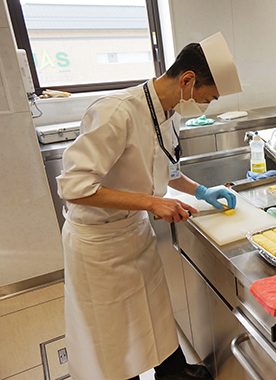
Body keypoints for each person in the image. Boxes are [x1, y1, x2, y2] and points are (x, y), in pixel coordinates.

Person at [56, 32, 242, 380]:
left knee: (154, 312)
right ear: (187, 80)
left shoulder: (167, 113)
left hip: (133, 233)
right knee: (111, 333)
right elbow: (74, 187)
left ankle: (171, 372)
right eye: (207, 98)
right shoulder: (116, 112)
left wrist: (201, 190)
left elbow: (167, 168)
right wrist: (151, 202)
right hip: (98, 244)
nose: (206, 106)